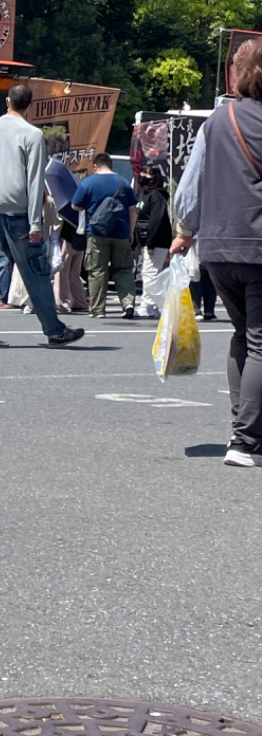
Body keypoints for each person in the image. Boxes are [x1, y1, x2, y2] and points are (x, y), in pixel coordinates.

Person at [170, 37, 262, 467]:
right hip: (258, 246)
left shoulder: (216, 121)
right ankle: (246, 441)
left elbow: (189, 189)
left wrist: (185, 230)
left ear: (236, 74)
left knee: (242, 335)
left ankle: (240, 432)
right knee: (260, 342)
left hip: (219, 248)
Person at [0, 84, 85, 349]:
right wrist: (36, 221)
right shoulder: (32, 134)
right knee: (36, 272)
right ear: (29, 105)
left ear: (7, 101)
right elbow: (34, 181)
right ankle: (55, 331)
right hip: (19, 212)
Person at [71, 153, 138, 319]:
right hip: (121, 233)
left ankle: (98, 309)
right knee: (123, 269)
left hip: (96, 233)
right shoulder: (123, 183)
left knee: (97, 271)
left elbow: (75, 206)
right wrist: (130, 232)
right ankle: (128, 303)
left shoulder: (87, 183)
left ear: (95, 166)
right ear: (111, 165)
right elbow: (133, 210)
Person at [133, 164, 172, 319]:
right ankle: (153, 305)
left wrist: (151, 242)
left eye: (146, 173)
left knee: (150, 273)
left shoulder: (156, 196)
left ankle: (147, 305)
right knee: (152, 272)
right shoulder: (148, 194)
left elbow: (156, 220)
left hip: (156, 241)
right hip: (151, 240)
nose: (142, 175)